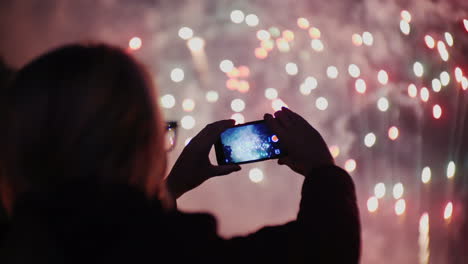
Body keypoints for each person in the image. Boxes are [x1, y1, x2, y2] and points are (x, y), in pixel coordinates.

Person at [0, 44, 360, 263]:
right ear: (130, 146)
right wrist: (322, 171)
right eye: (159, 131)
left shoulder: (23, 242)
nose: (163, 144)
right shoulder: (172, 252)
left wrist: (171, 189)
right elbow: (324, 253)